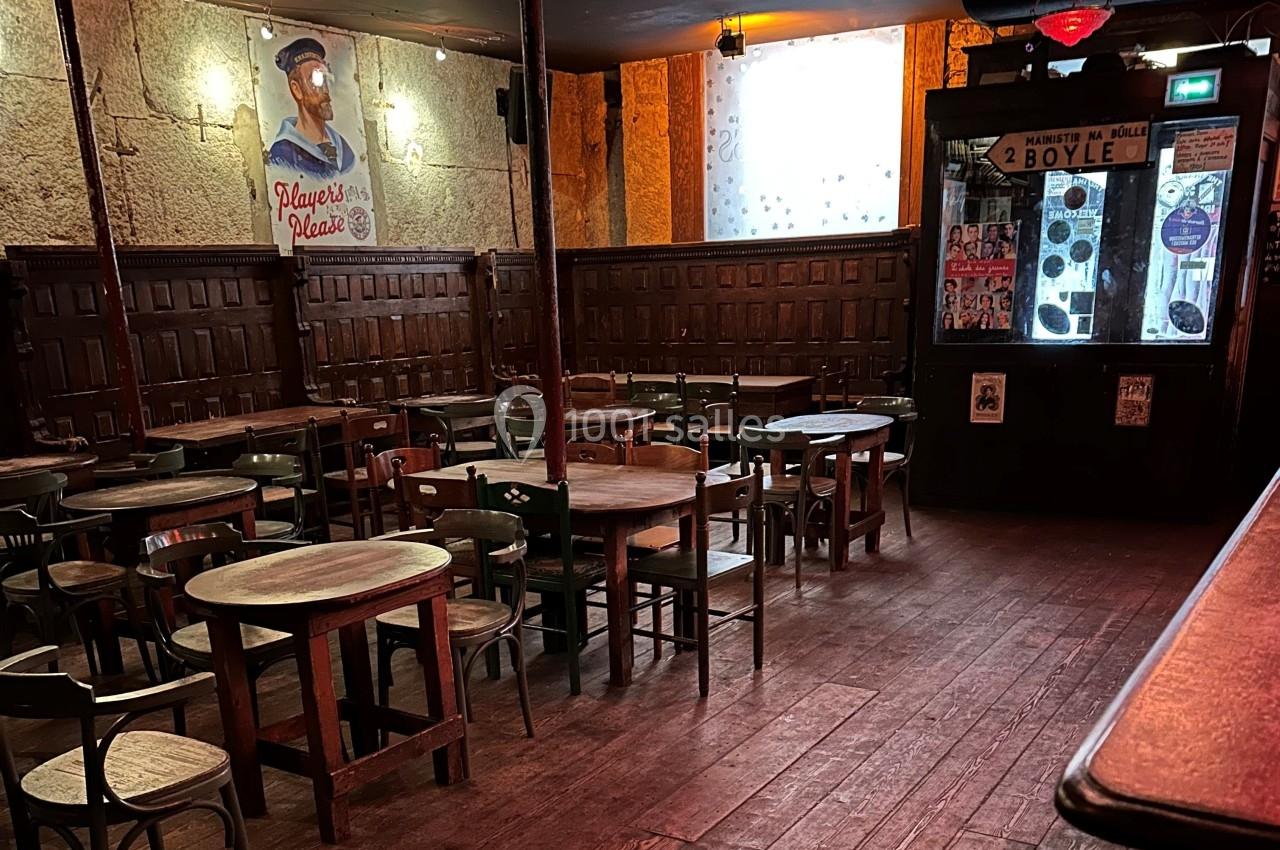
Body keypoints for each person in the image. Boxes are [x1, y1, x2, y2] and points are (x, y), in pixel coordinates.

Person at [268, 38, 357, 179]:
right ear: (296, 90)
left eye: (325, 80)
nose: (325, 90)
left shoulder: (344, 150)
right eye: (315, 81)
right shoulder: (283, 155)